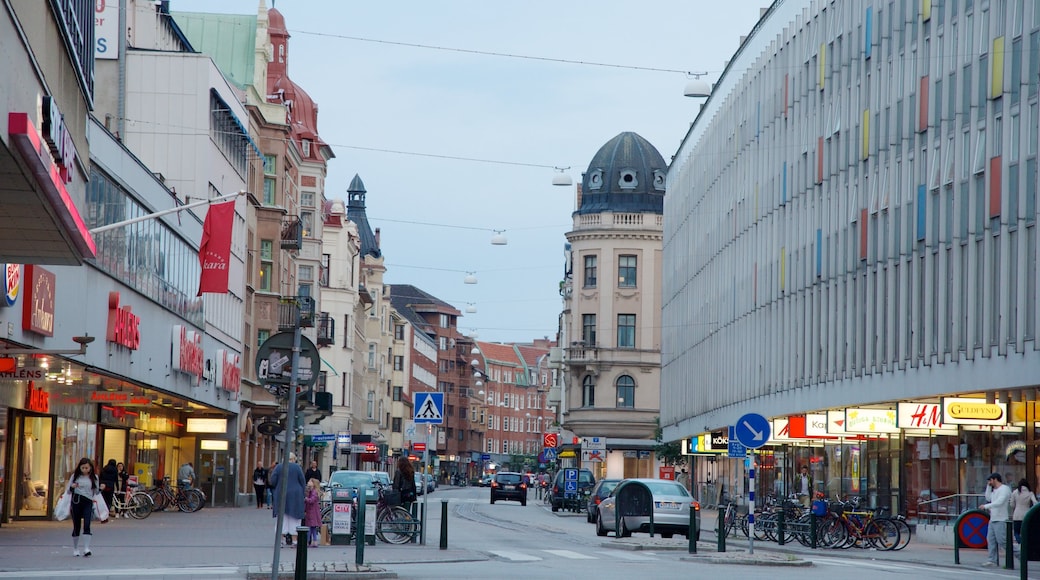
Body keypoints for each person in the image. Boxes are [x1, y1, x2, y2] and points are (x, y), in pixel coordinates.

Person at [269, 453, 306, 547]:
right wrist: (302, 493)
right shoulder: (297, 467)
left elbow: (272, 481)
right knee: (294, 518)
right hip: (295, 495)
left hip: (281, 495)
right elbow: (302, 481)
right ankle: (294, 541)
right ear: (293, 459)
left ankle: (280, 541)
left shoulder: (279, 467)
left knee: (282, 518)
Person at [65, 457, 98, 557]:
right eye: (83, 468)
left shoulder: (94, 477)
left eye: (87, 468)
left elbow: (96, 492)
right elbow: (68, 491)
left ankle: (86, 548)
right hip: (76, 501)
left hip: (88, 502)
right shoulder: (74, 476)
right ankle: (75, 549)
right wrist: (72, 487)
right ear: (79, 467)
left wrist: (100, 488)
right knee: (77, 525)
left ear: (90, 468)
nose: (85, 470)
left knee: (87, 524)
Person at [982, 472, 1012, 567]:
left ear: (995, 479)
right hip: (993, 518)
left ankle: (1020, 555)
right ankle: (992, 560)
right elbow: (988, 497)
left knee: (1003, 541)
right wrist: (988, 487)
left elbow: (1000, 502)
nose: (989, 482)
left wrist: (986, 506)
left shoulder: (1004, 489)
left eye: (990, 480)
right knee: (990, 540)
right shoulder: (994, 490)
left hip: (1001, 519)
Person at [1011, 478, 1037, 545]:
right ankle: (1025, 545)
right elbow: (1035, 503)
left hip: (1016, 515)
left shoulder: (1015, 492)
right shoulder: (1030, 493)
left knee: (1016, 532)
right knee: (1026, 533)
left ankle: (1020, 543)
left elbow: (1012, 504)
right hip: (1026, 515)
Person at [304, 478, 322, 547]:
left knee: (309, 528)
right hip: (313, 512)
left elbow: (311, 500)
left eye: (310, 481)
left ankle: (308, 541)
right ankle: (314, 541)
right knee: (313, 528)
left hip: (312, 513)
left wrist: (306, 499)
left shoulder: (313, 492)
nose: (308, 482)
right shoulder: (313, 491)